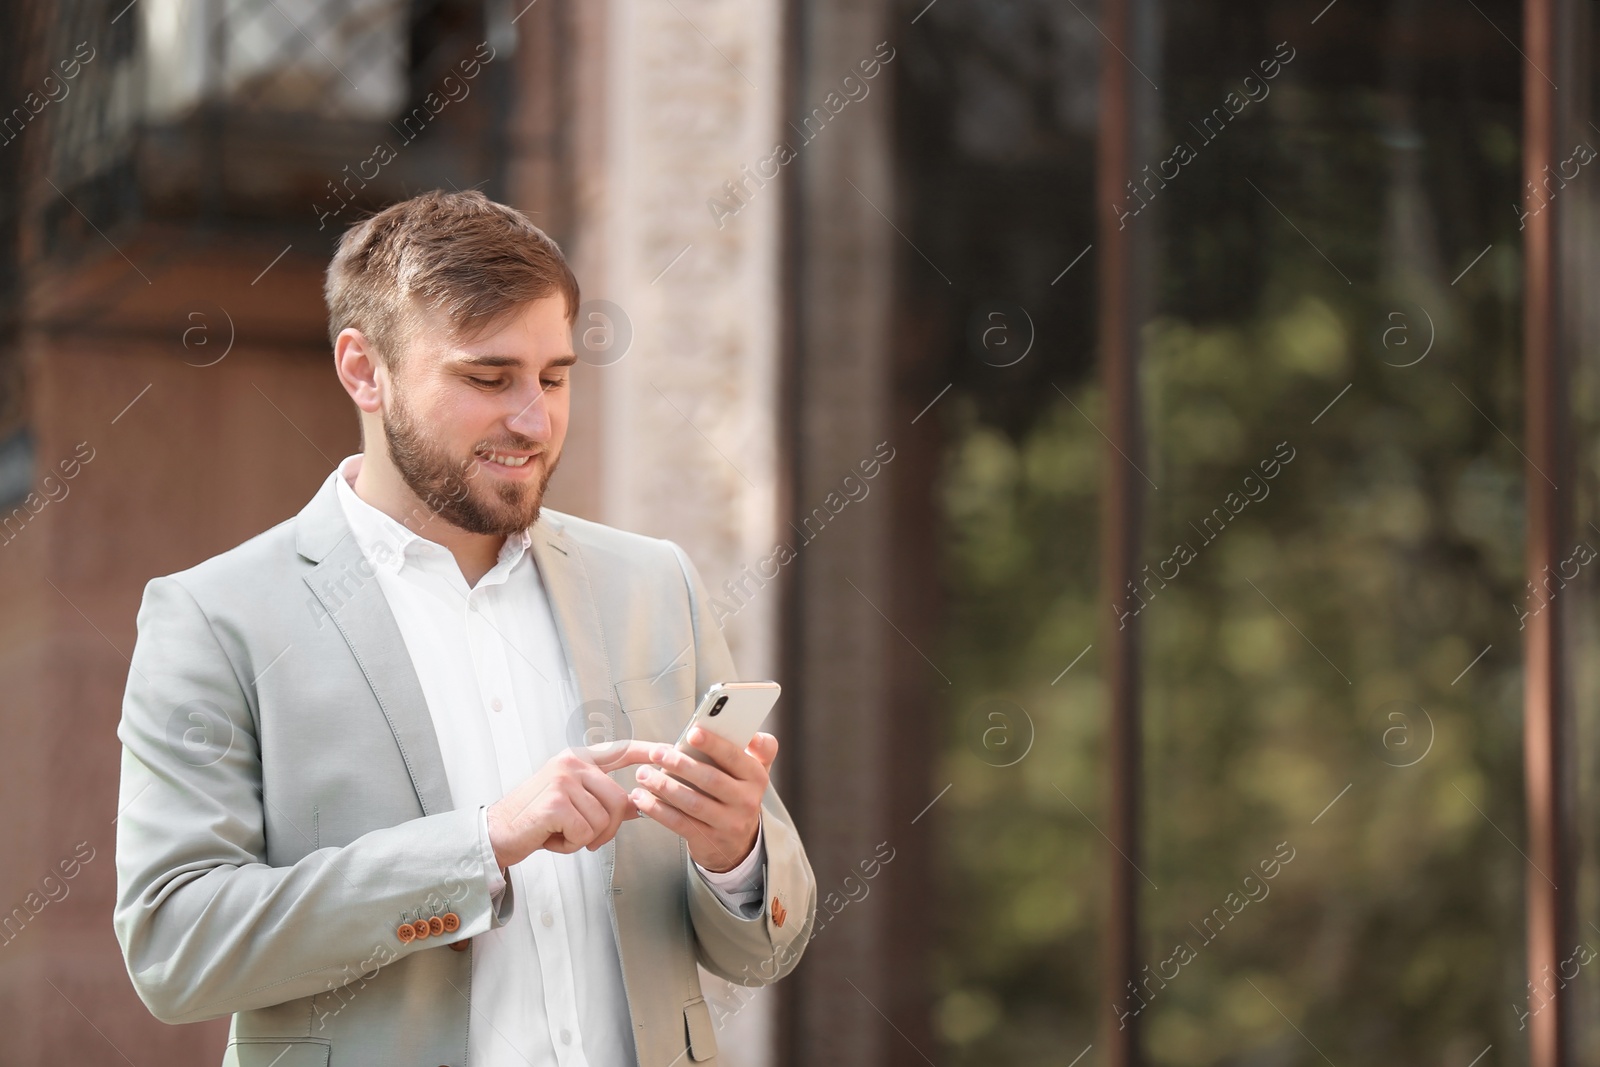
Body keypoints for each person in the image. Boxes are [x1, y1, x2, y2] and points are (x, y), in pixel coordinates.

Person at [112, 190, 816, 1067]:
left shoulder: (653, 584)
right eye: (488, 379)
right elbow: (175, 948)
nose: (534, 420)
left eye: (554, 378)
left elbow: (768, 945)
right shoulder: (216, 619)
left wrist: (735, 853)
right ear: (364, 370)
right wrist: (479, 844)